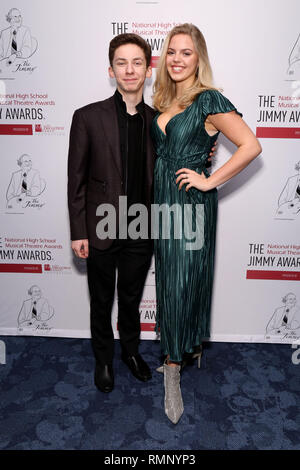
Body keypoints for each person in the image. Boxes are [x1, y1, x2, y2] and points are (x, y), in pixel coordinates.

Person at [68, 32, 216, 395]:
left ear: (148, 70)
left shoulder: (158, 121)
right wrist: (78, 231)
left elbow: (187, 146)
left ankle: (130, 352)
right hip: (101, 224)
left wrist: (204, 155)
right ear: (111, 69)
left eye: (137, 62)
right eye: (122, 63)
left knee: (132, 297)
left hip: (142, 224)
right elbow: (76, 179)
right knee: (101, 299)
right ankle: (103, 358)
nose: (129, 70)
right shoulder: (87, 117)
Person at [151, 23, 262, 424]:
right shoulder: (164, 99)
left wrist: (208, 178)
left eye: (187, 52)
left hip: (190, 202)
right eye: (172, 52)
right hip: (162, 200)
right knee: (170, 276)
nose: (178, 59)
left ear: (199, 59)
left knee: (184, 278)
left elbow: (251, 145)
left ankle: (174, 368)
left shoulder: (208, 99)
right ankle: (185, 348)